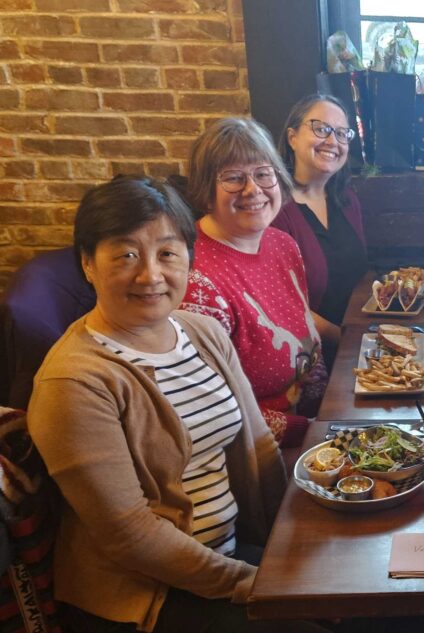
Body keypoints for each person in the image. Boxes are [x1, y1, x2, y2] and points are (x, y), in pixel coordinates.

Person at [27, 176, 323, 632]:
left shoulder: (202, 332)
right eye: (125, 255)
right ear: (88, 263)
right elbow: (131, 536)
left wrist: (299, 539)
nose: (150, 274)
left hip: (227, 556)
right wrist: (255, 582)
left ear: (189, 257)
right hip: (146, 596)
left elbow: (261, 448)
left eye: (167, 253)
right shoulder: (75, 380)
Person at [181, 117, 326, 448]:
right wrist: (316, 432)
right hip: (265, 450)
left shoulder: (281, 243)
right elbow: (215, 410)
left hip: (319, 422)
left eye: (263, 174)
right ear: (206, 188)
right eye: (233, 178)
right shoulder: (198, 282)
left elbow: (308, 343)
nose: (253, 190)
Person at [273, 94, 369, 355]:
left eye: (341, 133)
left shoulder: (347, 199)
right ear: (292, 137)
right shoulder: (275, 210)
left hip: (357, 341)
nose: (332, 141)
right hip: (308, 355)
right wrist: (347, 340)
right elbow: (281, 306)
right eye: (321, 129)